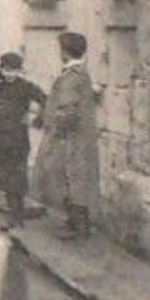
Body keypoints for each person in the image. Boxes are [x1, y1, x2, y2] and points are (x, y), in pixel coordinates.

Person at [34, 31, 100, 240]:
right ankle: (75, 222)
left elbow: (67, 108)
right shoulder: (79, 74)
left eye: (60, 49)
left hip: (70, 138)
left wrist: (57, 133)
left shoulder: (72, 77)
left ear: (64, 52)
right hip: (77, 137)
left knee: (72, 178)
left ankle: (79, 228)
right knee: (73, 178)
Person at [0, 52, 49, 231]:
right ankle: (14, 210)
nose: (10, 74)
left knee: (17, 175)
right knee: (3, 175)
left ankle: (16, 215)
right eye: (7, 69)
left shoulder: (25, 86)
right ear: (2, 69)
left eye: (14, 70)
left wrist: (37, 119)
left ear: (20, 70)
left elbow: (45, 100)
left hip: (17, 138)